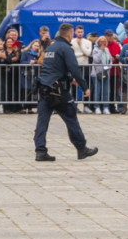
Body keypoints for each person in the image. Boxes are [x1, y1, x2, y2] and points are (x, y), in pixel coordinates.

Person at [34, 24, 98, 162]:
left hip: (45, 89)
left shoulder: (51, 47)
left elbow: (51, 68)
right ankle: (82, 148)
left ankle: (40, 151)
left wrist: (69, 79)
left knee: (42, 121)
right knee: (71, 117)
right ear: (69, 35)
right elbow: (74, 69)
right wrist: (84, 87)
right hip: (59, 91)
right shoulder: (66, 48)